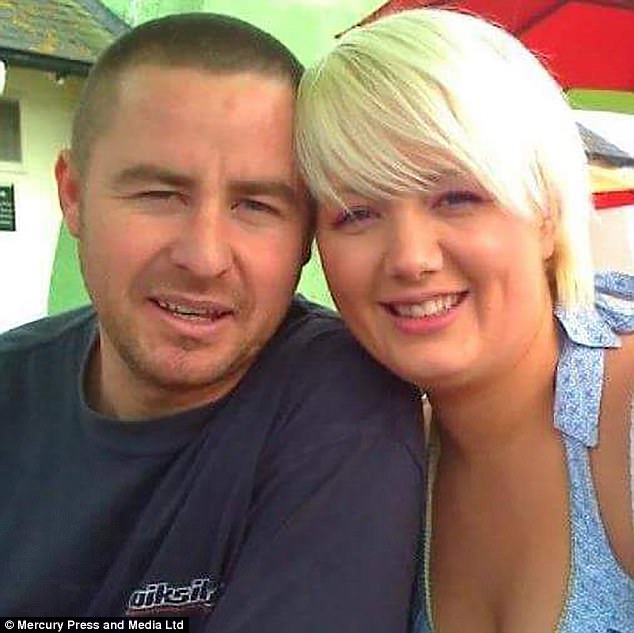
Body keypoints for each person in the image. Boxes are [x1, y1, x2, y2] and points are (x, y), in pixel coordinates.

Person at [0, 14, 426, 629]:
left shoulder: (344, 405)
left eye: (256, 205)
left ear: (306, 235)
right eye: (159, 195)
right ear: (73, 195)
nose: (204, 258)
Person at [295, 8, 633, 633]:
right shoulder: (372, 458)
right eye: (356, 213)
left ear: (545, 213)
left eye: (457, 198)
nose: (410, 259)